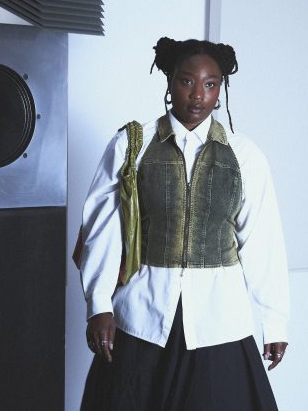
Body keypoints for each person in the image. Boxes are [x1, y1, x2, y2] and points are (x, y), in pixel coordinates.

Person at [78, 37, 289, 410]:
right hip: (142, 314)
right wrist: (99, 306)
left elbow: (262, 240)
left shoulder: (245, 156)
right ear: (169, 81)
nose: (198, 95)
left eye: (210, 84)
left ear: (220, 89)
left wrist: (275, 322)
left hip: (220, 320)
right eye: (187, 81)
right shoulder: (132, 145)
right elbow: (102, 228)